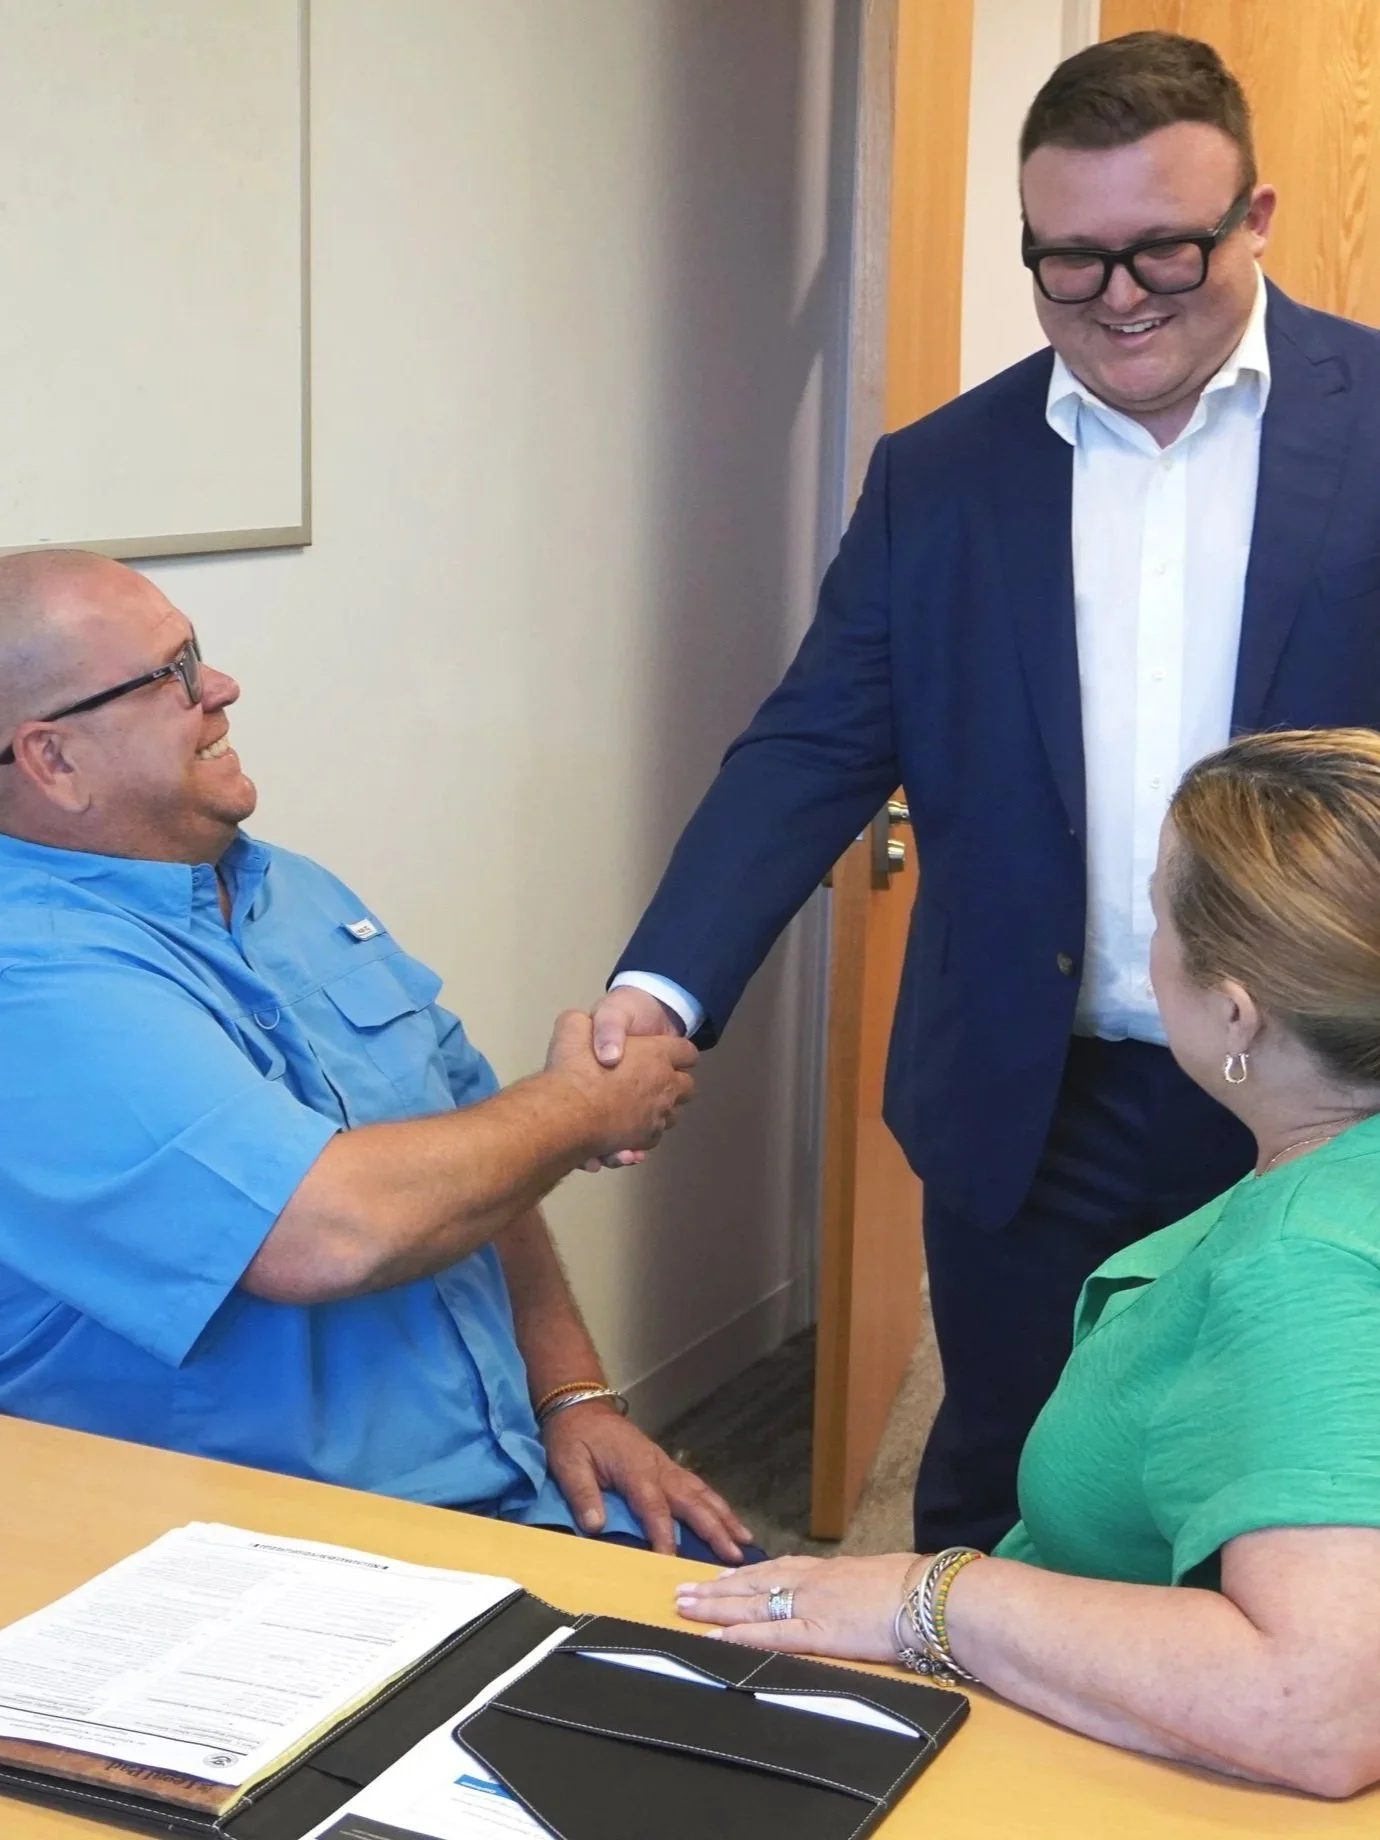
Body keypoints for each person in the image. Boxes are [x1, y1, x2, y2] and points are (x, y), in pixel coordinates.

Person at [590, 30, 1380, 1554]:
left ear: (1259, 218)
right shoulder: (941, 473)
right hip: (1037, 1095)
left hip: (1338, 1085)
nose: (1120, 297)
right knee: (1010, 1488)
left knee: (1306, 1488)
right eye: (1068, 262)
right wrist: (659, 990)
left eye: (1165, 249)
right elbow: (814, 744)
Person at [0, 547, 760, 1566]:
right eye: (171, 674)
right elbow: (328, 1232)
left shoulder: (288, 890)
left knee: (819, 1639)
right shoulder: (31, 978)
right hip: (281, 1562)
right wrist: (582, 1107)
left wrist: (574, 1396)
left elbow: (478, 1157)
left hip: (515, 1484)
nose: (221, 687)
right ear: (53, 760)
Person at [679, 728, 1380, 1797]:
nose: (1147, 944)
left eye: (1158, 916)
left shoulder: (1306, 1264)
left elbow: (1319, 1706)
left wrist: (928, 1596)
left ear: (1235, 1011)